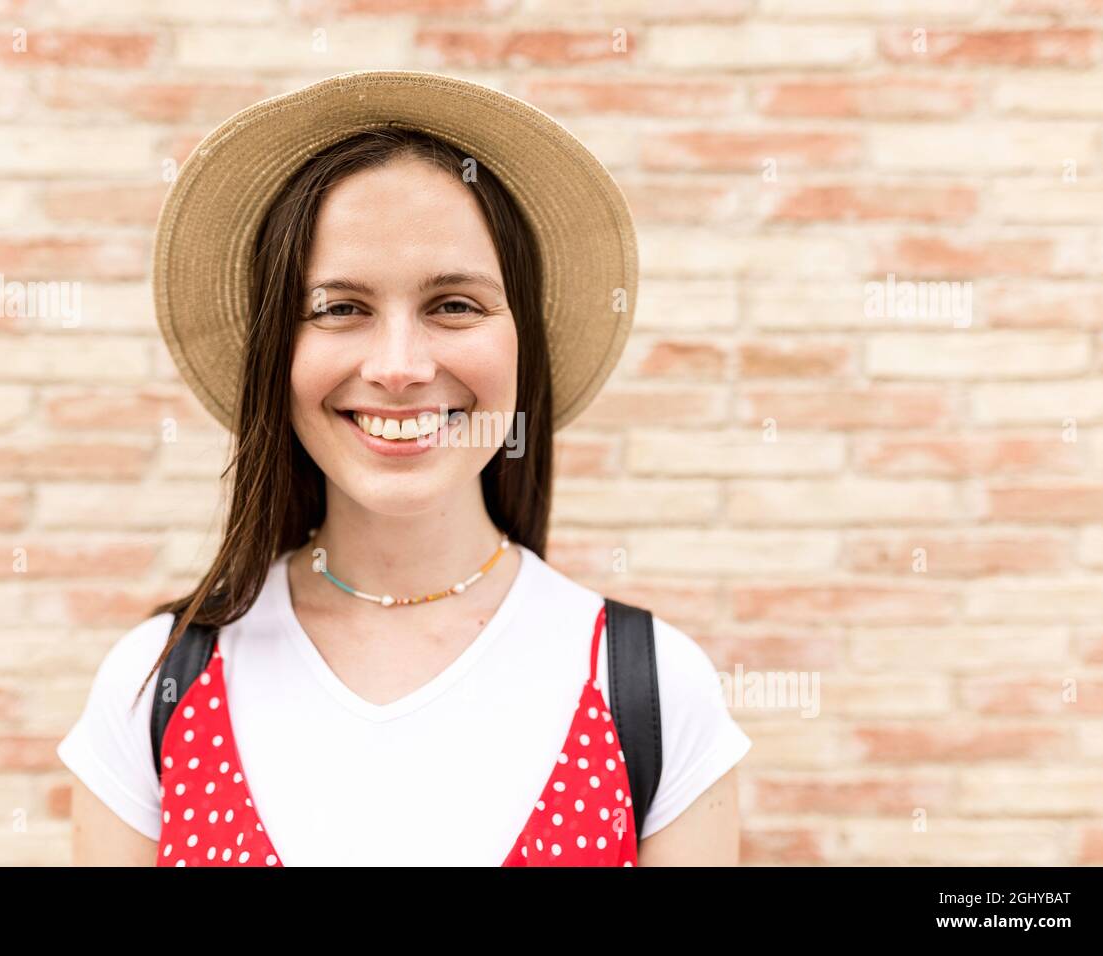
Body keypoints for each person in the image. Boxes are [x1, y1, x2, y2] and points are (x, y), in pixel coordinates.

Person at [57, 70, 751, 866]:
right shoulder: (157, 684)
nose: (398, 366)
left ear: (522, 342)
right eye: (338, 308)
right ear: (275, 356)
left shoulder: (654, 688)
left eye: (454, 305)